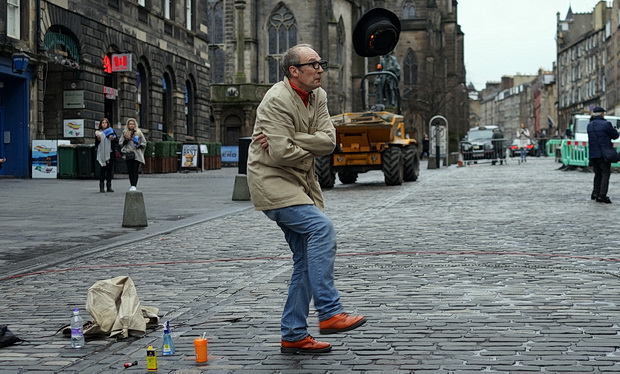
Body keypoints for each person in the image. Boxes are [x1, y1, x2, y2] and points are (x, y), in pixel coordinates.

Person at [246, 44, 366, 355]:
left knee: (304, 262)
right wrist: (296, 143)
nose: (320, 69)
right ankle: (329, 312)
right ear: (293, 71)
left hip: (301, 181)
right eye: (312, 64)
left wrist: (292, 138)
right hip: (272, 181)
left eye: (321, 62)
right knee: (321, 230)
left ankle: (294, 334)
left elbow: (329, 142)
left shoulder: (319, 96)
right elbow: (282, 154)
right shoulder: (275, 101)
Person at [587, 106, 619, 203]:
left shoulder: (590, 125)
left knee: (597, 174)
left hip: (593, 154)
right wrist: (615, 130)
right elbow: (615, 136)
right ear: (602, 114)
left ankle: (595, 192)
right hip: (604, 154)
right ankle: (602, 195)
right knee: (605, 173)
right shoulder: (606, 124)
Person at [119, 118, 146, 191]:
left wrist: (139, 145)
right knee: (130, 170)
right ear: (128, 125)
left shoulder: (139, 132)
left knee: (135, 170)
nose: (131, 125)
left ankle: (134, 185)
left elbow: (144, 142)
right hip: (128, 153)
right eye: (130, 124)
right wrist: (126, 139)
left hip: (136, 153)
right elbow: (120, 143)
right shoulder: (125, 132)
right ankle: (131, 184)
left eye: (133, 124)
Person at [95, 118, 118, 193]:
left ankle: (109, 186)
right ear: (101, 124)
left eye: (106, 123)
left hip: (110, 152)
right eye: (103, 123)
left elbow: (116, 141)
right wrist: (98, 139)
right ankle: (101, 187)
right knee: (102, 170)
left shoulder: (111, 131)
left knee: (109, 170)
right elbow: (96, 144)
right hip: (102, 152)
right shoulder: (98, 132)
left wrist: (113, 139)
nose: (104, 124)